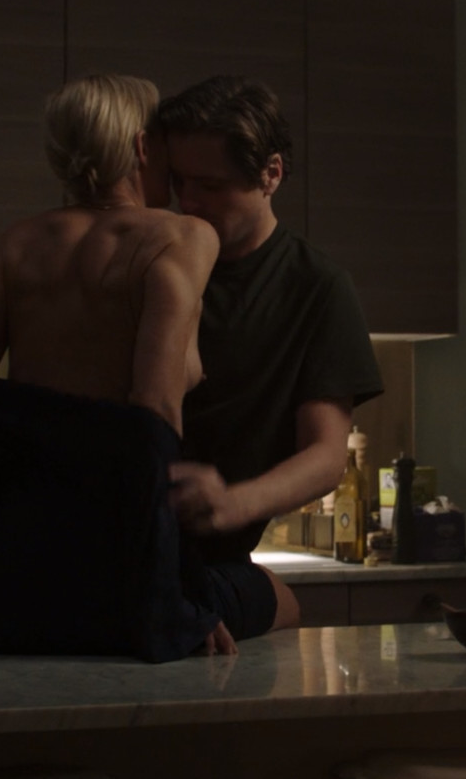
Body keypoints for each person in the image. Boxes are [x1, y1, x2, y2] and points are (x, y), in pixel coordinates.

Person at [0, 74, 236, 661]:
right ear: (141, 147)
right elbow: (154, 414)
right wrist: (179, 594)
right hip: (111, 554)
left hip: (11, 551)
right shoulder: (181, 236)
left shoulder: (19, 243)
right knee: (274, 599)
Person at [156, 76, 384, 641]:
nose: (188, 201)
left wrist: (232, 503)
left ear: (271, 174)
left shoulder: (316, 287)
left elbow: (326, 455)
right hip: (128, 542)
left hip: (215, 555)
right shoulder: (156, 259)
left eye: (210, 185)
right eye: (178, 181)